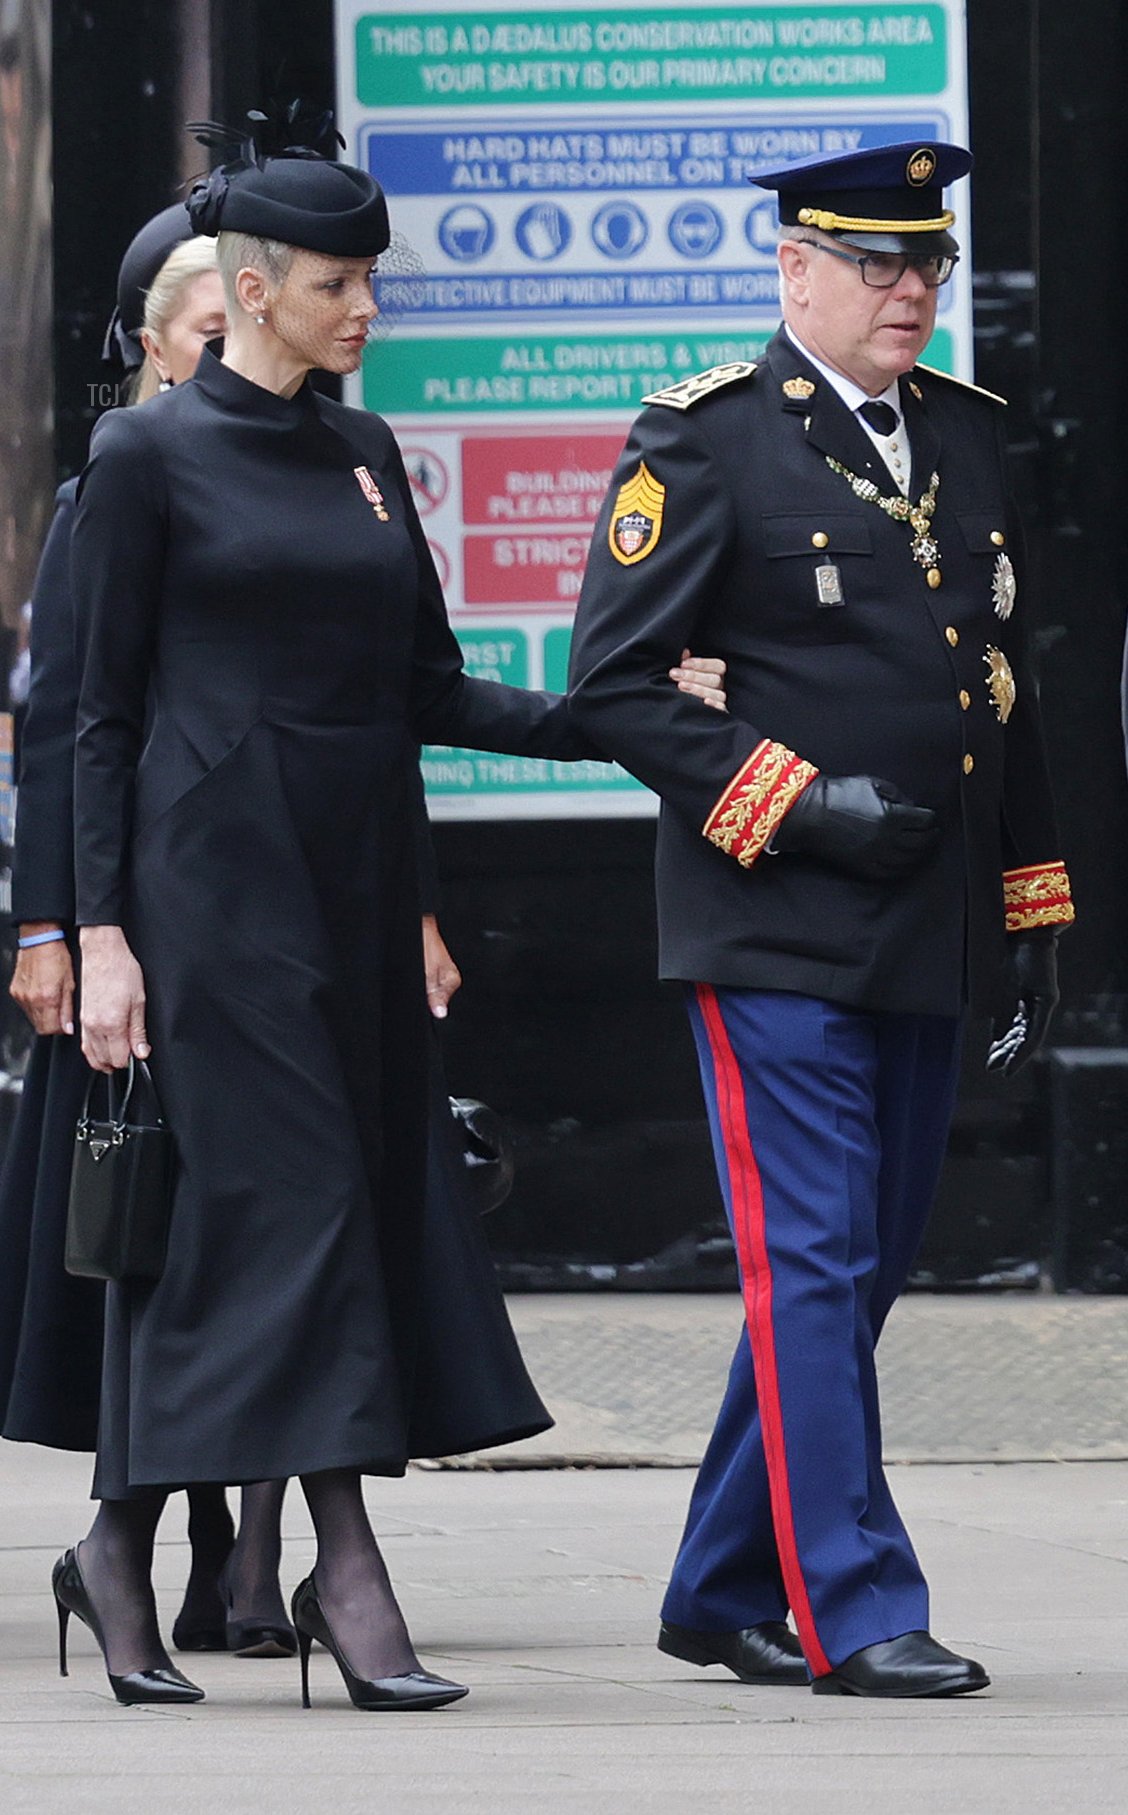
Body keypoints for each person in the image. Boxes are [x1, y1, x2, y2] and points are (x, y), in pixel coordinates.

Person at [59, 126, 728, 1714]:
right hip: (209, 899)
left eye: (372, 281)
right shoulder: (146, 459)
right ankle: (346, 1571)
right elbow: (92, 718)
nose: (366, 306)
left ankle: (114, 1540)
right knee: (301, 1218)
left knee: (276, 1226)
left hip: (350, 895)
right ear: (249, 291)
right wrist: (92, 933)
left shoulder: (365, 456)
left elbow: (425, 691)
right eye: (338, 283)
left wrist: (615, 718)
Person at [567, 141, 1075, 1699]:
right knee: (813, 1257)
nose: (906, 289)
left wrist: (1034, 901)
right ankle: (855, 1603)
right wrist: (795, 802)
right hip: (773, 917)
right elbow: (619, 687)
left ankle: (720, 1583)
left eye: (923, 264)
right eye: (872, 263)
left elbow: (1002, 689)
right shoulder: (706, 443)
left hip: (929, 924)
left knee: (862, 1265)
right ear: (793, 270)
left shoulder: (967, 440)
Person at [0, 207, 304, 1658]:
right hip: (137, 929)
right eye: (195, 342)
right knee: (160, 1238)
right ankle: (171, 1540)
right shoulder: (112, 491)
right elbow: (66, 726)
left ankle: (242, 1561)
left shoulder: (327, 478)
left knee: (280, 1234)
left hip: (285, 914)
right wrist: (54, 924)